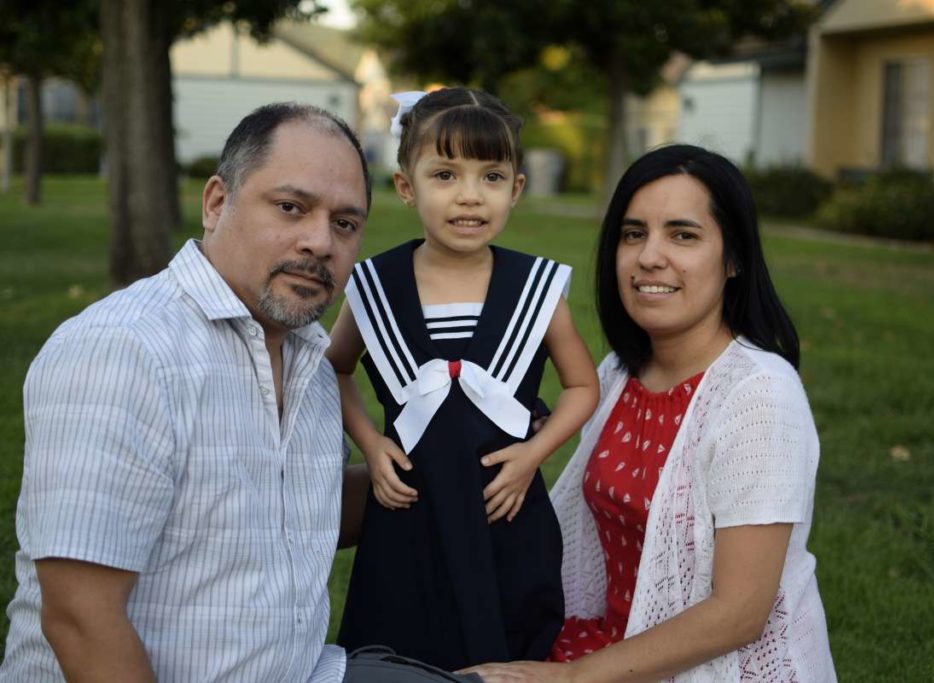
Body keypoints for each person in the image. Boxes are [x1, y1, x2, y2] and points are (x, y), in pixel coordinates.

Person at [0, 102, 483, 683]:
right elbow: (80, 618)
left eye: (345, 224)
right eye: (290, 207)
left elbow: (290, 509)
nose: (319, 242)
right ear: (216, 203)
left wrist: (456, 462)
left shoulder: (307, 351)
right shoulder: (124, 351)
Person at [463, 145, 837, 682]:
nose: (649, 257)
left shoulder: (759, 396)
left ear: (734, 259)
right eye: (633, 234)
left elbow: (740, 613)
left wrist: (569, 679)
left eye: (683, 235)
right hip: (608, 646)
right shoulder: (619, 373)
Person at [328, 87, 599, 671]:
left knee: (502, 651)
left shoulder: (538, 291)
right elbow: (335, 369)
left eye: (492, 177)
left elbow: (582, 388)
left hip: (503, 514)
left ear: (516, 189)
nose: (470, 197)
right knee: (400, 654)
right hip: (407, 518)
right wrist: (370, 445)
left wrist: (532, 455)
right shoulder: (375, 288)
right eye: (445, 175)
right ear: (407, 186)